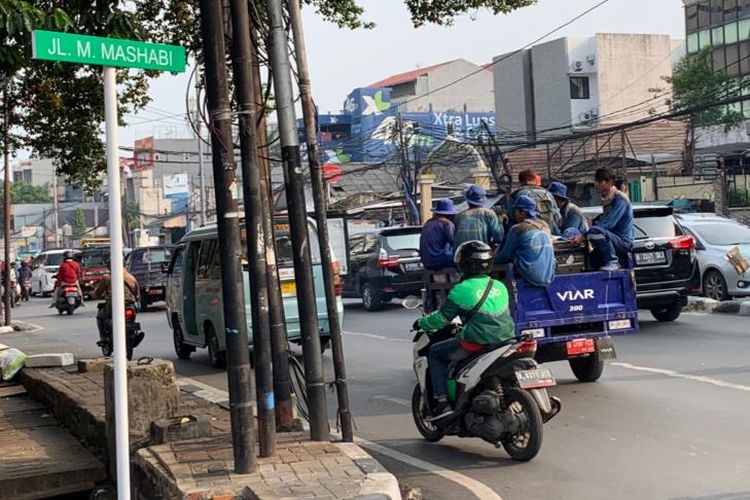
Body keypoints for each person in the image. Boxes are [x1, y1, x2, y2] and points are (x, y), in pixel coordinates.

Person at [413, 240, 516, 421]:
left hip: (476, 342)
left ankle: (442, 402)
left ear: (464, 264)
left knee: (436, 353)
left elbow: (441, 319)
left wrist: (422, 323)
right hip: (506, 339)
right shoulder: (501, 286)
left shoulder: (460, 290)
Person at [496, 195, 555, 287]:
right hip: (549, 276)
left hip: (528, 276)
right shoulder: (545, 225)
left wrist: (491, 261)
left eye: (515, 210)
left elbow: (505, 255)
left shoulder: (518, 229)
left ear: (521, 212)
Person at [588, 167, 634, 271]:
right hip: (612, 239)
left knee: (594, 231)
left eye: (600, 181)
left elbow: (608, 224)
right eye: (596, 181)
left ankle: (613, 261)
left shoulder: (620, 199)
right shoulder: (607, 199)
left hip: (622, 241)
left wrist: (584, 235)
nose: (596, 184)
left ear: (609, 182)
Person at [92, 268, 140, 346]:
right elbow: (137, 293)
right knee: (131, 319)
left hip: (113, 304)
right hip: (129, 303)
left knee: (100, 317)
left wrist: (95, 295)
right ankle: (133, 334)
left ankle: (103, 337)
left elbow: (98, 292)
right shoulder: (131, 277)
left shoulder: (106, 277)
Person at [453, 185, 504, 251]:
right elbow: (498, 238)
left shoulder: (459, 216)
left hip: (461, 253)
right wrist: (500, 222)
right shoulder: (489, 214)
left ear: (468, 201)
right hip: (482, 253)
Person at [420, 199, 458, 271]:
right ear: (449, 215)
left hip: (426, 262)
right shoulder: (447, 224)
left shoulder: (428, 223)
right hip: (440, 261)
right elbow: (455, 243)